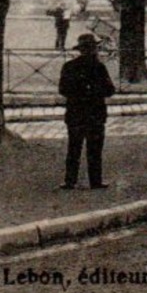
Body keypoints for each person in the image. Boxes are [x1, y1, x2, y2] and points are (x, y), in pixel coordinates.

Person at [58, 32, 116, 190]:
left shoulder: (69, 66)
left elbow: (62, 89)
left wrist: (79, 93)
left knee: (74, 149)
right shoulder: (99, 67)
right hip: (95, 114)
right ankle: (95, 181)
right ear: (92, 49)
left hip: (75, 113)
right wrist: (94, 92)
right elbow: (110, 89)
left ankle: (70, 181)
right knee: (94, 150)